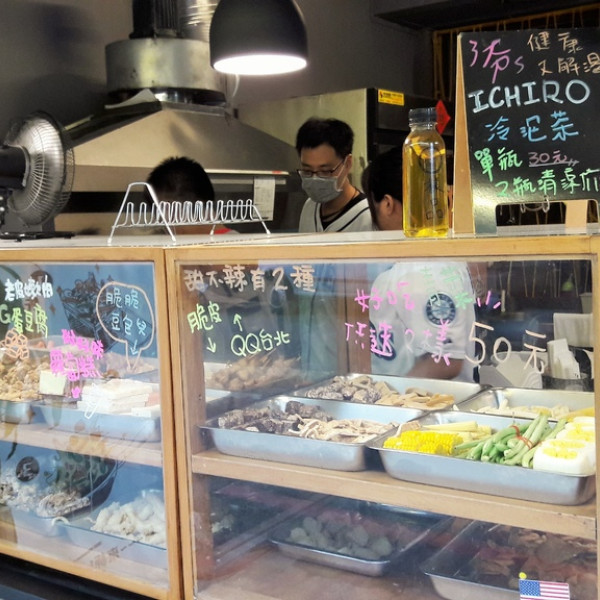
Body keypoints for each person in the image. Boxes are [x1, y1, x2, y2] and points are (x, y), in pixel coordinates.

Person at [362, 146, 476, 381]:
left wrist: (396, 395)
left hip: (423, 401)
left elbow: (445, 361)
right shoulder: (418, 258)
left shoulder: (424, 266)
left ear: (387, 204)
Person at [295, 118, 373, 233]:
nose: (315, 178)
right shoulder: (310, 207)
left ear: (347, 163)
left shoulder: (368, 217)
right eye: (307, 171)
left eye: (325, 171)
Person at [146, 156, 236, 235]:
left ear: (170, 209)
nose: (163, 225)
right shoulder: (239, 243)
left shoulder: (196, 248)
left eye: (159, 214)